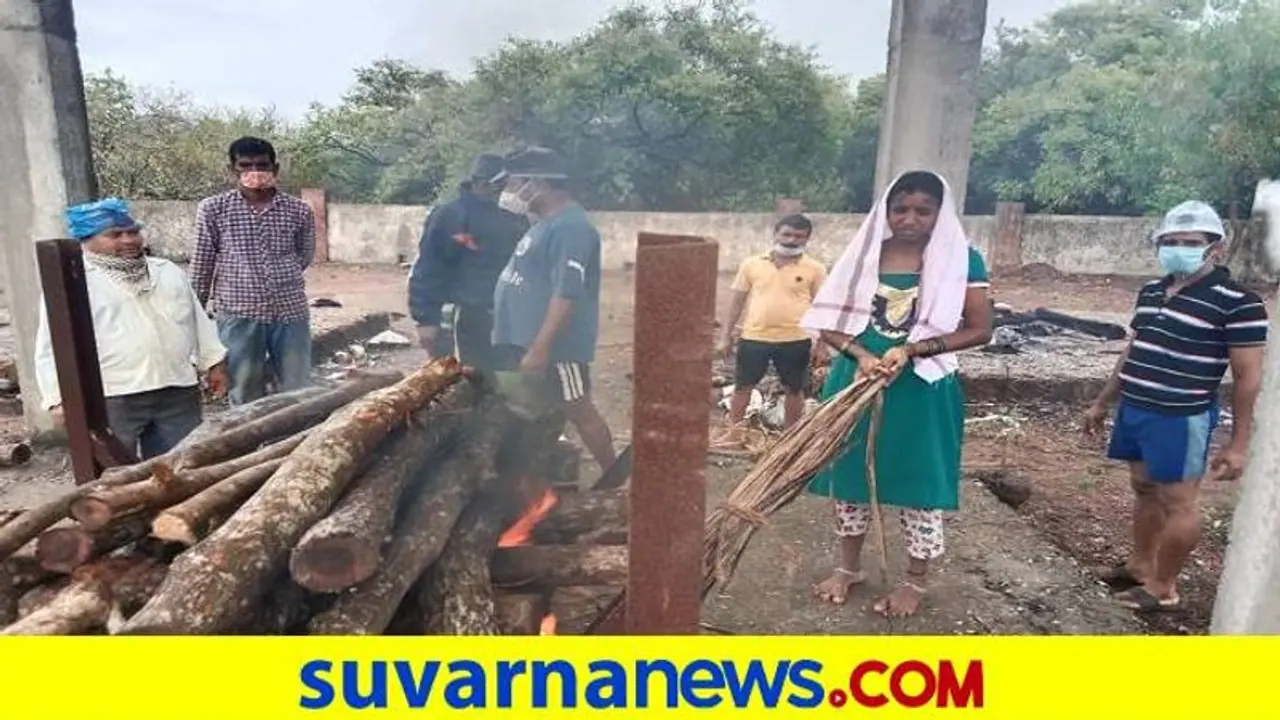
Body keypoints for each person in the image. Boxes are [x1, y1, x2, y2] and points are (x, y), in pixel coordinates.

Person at [804, 170, 993, 618]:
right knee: (849, 477)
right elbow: (826, 318)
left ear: (939, 213)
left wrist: (912, 349)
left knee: (919, 482)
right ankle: (848, 568)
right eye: (900, 209)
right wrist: (860, 355)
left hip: (921, 388)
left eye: (923, 210)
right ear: (886, 212)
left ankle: (915, 580)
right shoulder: (864, 254)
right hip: (856, 383)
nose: (910, 219)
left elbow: (980, 329)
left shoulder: (963, 259)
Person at [1083, 200, 1266, 612]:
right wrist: (1102, 402)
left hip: (1180, 417)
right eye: (1171, 241)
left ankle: (1164, 586)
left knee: (1179, 501)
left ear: (1214, 247)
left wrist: (1239, 443)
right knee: (1144, 489)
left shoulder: (1238, 302)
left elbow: (1247, 377)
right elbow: (1135, 350)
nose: (1179, 248)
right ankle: (1140, 567)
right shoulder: (1152, 292)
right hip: (1137, 408)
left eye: (1190, 242)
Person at [34, 198, 229, 459]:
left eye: (133, 232)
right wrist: (57, 398)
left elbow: (197, 322)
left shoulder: (167, 271)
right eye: (114, 235)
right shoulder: (75, 279)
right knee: (114, 473)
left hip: (175, 388)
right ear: (86, 239)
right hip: (114, 395)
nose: (128, 240)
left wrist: (215, 364)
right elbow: (50, 346)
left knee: (180, 466)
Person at [491, 147, 618, 474]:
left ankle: (615, 478)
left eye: (513, 182)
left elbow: (566, 293)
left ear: (537, 183)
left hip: (557, 350)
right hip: (526, 343)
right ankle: (538, 479)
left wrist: (540, 348)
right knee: (529, 409)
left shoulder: (571, 228)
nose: (508, 191)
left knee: (579, 409)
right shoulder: (544, 224)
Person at [190, 136, 316, 406]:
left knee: (299, 388)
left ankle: (296, 440)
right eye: (245, 166)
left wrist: (281, 276)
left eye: (262, 165)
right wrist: (195, 318)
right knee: (244, 388)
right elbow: (202, 265)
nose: (255, 173)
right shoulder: (213, 210)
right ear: (232, 169)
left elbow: (303, 256)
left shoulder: (299, 211)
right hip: (239, 314)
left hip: (290, 312)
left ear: (275, 169)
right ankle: (251, 443)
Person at [710, 214, 828, 452]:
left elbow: (823, 307)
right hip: (754, 337)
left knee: (794, 389)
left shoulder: (815, 269)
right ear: (775, 234)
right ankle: (734, 435)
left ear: (807, 239)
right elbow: (736, 303)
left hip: (796, 339)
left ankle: (789, 440)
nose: (792, 240)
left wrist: (822, 344)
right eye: (787, 234)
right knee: (743, 386)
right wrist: (725, 336)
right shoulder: (752, 264)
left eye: (799, 236)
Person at [408, 154, 529, 371]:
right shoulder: (449, 216)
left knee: (506, 379)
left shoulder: (514, 220)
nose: (508, 191)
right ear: (483, 184)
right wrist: (425, 318)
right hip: (465, 317)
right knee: (463, 377)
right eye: (501, 185)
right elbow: (429, 267)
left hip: (505, 316)